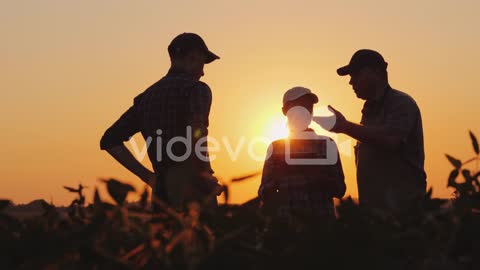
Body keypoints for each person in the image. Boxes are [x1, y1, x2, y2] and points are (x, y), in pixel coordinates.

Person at [100, 33, 222, 210]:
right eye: (202, 64)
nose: (203, 72)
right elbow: (197, 131)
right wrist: (206, 175)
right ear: (192, 57)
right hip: (194, 192)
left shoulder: (146, 98)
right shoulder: (197, 90)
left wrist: (148, 177)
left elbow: (110, 140)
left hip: (161, 196)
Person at [329, 49, 426, 213]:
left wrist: (345, 127)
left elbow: (391, 140)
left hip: (402, 215)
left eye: (355, 75)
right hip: (376, 215)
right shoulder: (369, 108)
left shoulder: (401, 103)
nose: (351, 82)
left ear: (375, 72)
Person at [258, 87, 346, 222]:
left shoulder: (327, 144)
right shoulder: (276, 148)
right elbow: (264, 193)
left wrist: (316, 174)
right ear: (285, 111)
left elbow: (340, 190)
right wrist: (281, 173)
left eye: (308, 107)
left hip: (322, 228)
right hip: (288, 229)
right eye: (298, 106)